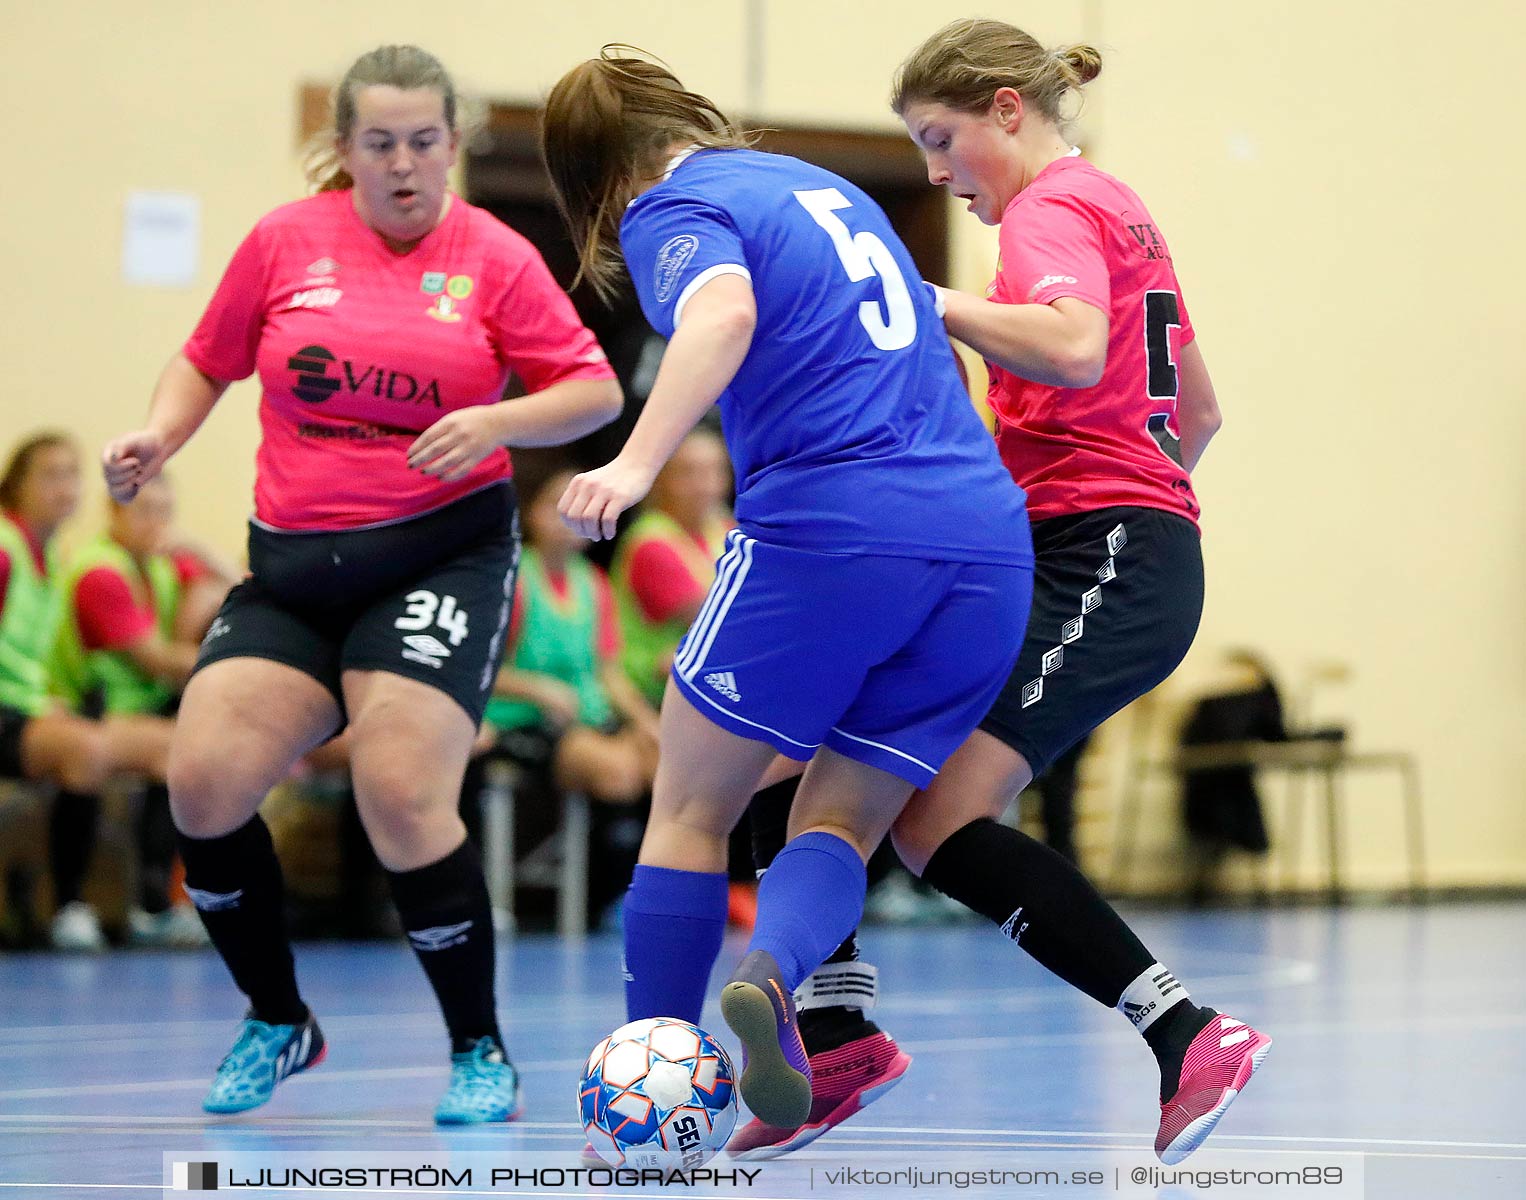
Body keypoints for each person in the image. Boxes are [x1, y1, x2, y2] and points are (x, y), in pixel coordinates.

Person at [736, 18, 1269, 1165]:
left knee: (933, 812)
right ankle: (835, 1036)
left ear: (1006, 110)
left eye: (940, 139)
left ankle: (1189, 1030)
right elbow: (1200, 414)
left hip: (1103, 558)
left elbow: (1074, 347)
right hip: (1064, 549)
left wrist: (931, 303)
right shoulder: (1113, 206)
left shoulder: (1048, 211)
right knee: (811, 763)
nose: (935, 171)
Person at [101, 44, 621, 1123]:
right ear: (341, 149)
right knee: (201, 780)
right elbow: (207, 357)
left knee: (397, 785)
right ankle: (277, 1017)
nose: (402, 164)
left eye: (424, 142)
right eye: (378, 143)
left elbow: (591, 390)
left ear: (453, 144)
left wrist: (496, 420)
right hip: (295, 570)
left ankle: (478, 1048)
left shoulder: (494, 256)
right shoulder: (286, 242)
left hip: (437, 559)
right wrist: (160, 431)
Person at [541, 47, 1033, 1142]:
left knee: (688, 809)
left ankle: (645, 1108)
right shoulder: (831, 190)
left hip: (833, 524)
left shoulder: (672, 203)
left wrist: (632, 464)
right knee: (837, 824)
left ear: (600, 177)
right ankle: (769, 974)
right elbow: (943, 367)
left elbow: (717, 317)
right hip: (983, 543)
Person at [0, 433, 175, 951]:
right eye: (51, 475)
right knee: (86, 749)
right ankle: (69, 906)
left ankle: (153, 905)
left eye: (73, 474)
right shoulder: (8, 549)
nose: (66, 487)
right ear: (17, 484)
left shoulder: (51, 554)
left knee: (174, 748)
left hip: (33, 707)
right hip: (10, 711)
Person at [51, 475, 214, 947]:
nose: (156, 523)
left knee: (185, 743)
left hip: (139, 708)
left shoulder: (159, 566)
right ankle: (113, 905)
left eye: (165, 512)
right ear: (115, 512)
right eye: (144, 510)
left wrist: (198, 549)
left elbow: (238, 585)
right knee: (174, 752)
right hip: (88, 709)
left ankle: (156, 901)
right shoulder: (101, 572)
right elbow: (156, 660)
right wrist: (229, 661)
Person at [609, 427, 733, 708]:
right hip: (649, 692)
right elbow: (723, 622)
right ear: (662, 479)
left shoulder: (721, 527)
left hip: (705, 680)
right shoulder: (652, 542)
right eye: (689, 474)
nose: (706, 486)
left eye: (716, 472)